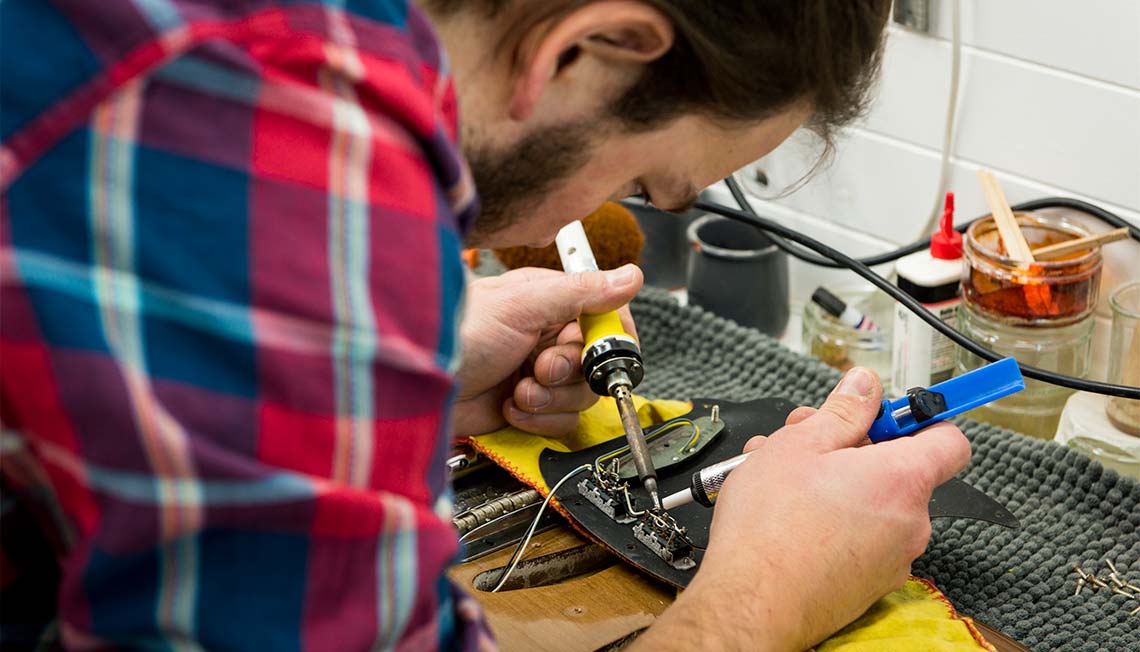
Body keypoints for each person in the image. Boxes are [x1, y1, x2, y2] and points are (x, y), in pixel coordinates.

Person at [0, 0, 971, 649]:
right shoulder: (294, 143)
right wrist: (762, 598)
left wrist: (386, 359)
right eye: (638, 179)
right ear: (587, 49)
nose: (597, 217)